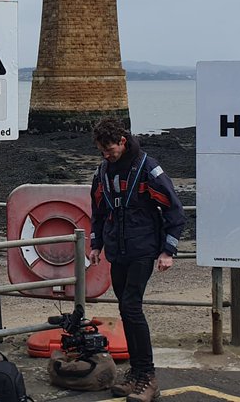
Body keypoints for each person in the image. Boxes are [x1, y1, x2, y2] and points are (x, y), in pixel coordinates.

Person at [85, 117, 185, 402]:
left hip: (143, 248)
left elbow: (174, 210)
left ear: (122, 142)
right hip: (118, 250)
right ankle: (137, 373)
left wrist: (168, 251)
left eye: (110, 149)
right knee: (126, 309)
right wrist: (96, 245)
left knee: (131, 307)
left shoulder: (147, 168)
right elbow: (99, 211)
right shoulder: (103, 171)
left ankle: (148, 377)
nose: (106, 155)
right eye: (102, 151)